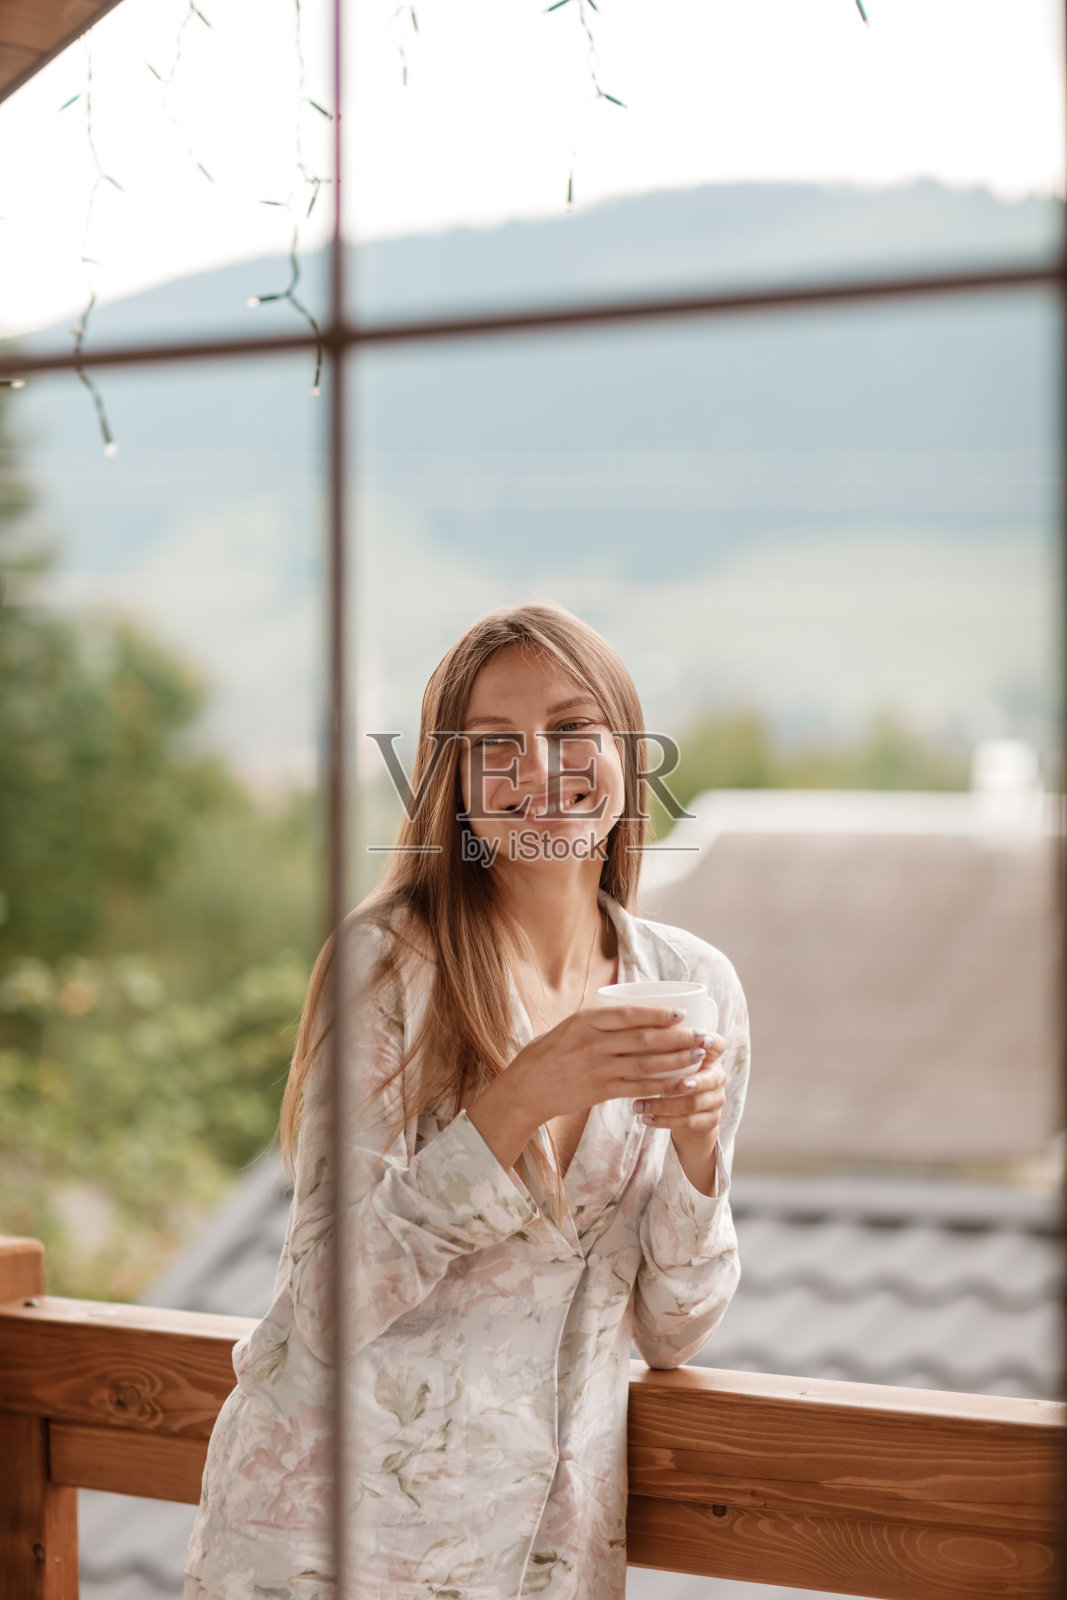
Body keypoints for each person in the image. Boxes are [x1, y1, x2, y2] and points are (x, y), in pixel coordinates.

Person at [183, 601, 750, 1600]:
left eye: (572, 729)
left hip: (541, 1553)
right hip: (326, 1540)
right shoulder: (390, 968)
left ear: (623, 748)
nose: (537, 768)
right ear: (453, 780)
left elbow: (672, 1328)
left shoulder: (690, 984)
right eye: (495, 743)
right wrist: (518, 1100)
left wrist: (699, 1151)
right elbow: (318, 1304)